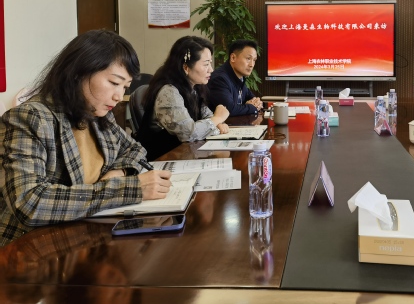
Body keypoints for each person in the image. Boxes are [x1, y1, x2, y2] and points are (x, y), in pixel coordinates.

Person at [0, 30, 172, 246]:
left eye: (125, 87)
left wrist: (118, 173)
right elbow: (29, 202)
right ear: (79, 72)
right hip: (32, 249)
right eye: (114, 82)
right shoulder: (31, 118)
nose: (119, 96)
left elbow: (135, 149)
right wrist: (130, 189)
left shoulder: (97, 115)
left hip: (85, 237)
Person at [136, 36, 230, 161]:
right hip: (161, 160)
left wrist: (217, 122)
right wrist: (217, 119)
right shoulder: (168, 92)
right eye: (206, 64)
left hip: (183, 156)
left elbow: (207, 116)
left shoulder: (195, 87)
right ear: (186, 67)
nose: (211, 70)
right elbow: (188, 133)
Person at [208, 39, 262, 116]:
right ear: (233, 57)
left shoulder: (239, 77)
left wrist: (257, 103)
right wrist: (252, 107)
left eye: (254, 60)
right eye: (248, 59)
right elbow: (229, 109)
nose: (252, 65)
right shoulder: (219, 79)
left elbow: (253, 99)